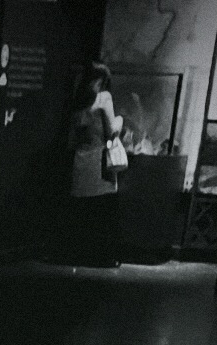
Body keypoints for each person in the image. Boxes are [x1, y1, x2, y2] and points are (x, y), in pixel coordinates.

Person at [64, 60, 124, 268]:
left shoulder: (76, 102)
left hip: (80, 161)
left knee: (81, 211)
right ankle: (102, 257)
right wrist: (120, 121)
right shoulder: (104, 98)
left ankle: (78, 254)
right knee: (102, 210)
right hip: (100, 162)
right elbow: (111, 130)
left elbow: (71, 140)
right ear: (100, 80)